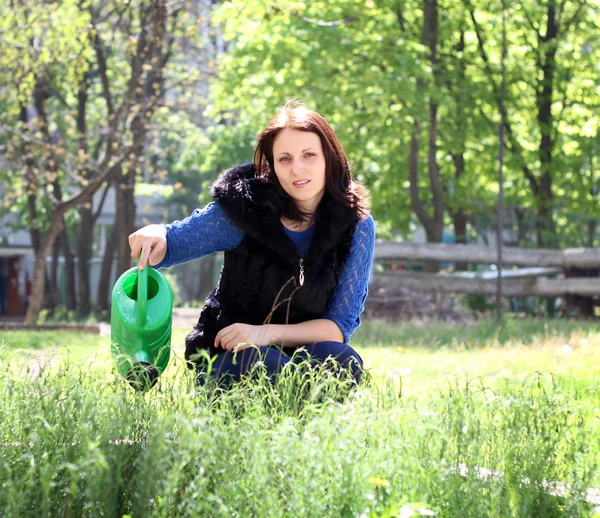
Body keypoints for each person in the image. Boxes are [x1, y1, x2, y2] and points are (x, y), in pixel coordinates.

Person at [128, 101, 376, 389]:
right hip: (232, 354)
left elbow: (337, 328)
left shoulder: (356, 225)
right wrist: (156, 233)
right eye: (285, 159)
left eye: (309, 155)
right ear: (271, 166)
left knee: (342, 360)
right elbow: (172, 243)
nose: (297, 169)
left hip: (301, 354)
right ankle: (287, 408)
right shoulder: (246, 209)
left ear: (329, 158)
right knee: (264, 364)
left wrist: (264, 334)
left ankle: (297, 418)